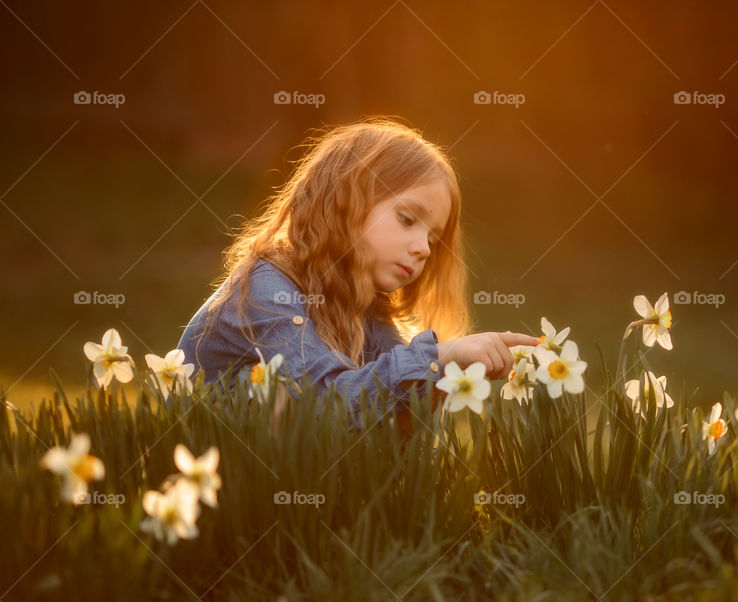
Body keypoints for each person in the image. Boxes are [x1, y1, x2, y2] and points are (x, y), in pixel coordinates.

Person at [176, 117, 538, 427]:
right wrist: (439, 358)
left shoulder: (368, 312)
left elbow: (392, 428)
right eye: (407, 219)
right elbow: (325, 405)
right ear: (345, 203)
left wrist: (445, 373)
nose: (424, 248)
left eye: (433, 238)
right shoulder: (266, 290)